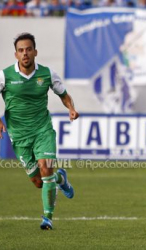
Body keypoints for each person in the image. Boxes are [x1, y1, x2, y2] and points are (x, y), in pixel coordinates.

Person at [0, 33, 79, 230]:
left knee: (46, 168)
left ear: (35, 51)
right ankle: (61, 179)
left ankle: (48, 218)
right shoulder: (4, 76)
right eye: (20, 50)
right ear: (16, 54)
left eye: (28, 49)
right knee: (38, 181)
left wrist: (71, 108)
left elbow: (64, 95)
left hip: (43, 130)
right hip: (19, 136)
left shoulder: (47, 74)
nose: (25, 53)